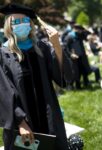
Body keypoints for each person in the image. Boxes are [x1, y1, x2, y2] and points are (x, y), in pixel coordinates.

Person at [0, 3, 73, 150]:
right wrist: (20, 122)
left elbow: (62, 78)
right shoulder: (3, 53)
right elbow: (4, 93)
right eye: (16, 22)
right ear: (9, 26)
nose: (21, 25)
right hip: (22, 123)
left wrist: (57, 46)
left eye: (25, 20)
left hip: (49, 118)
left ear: (31, 23)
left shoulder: (42, 48)